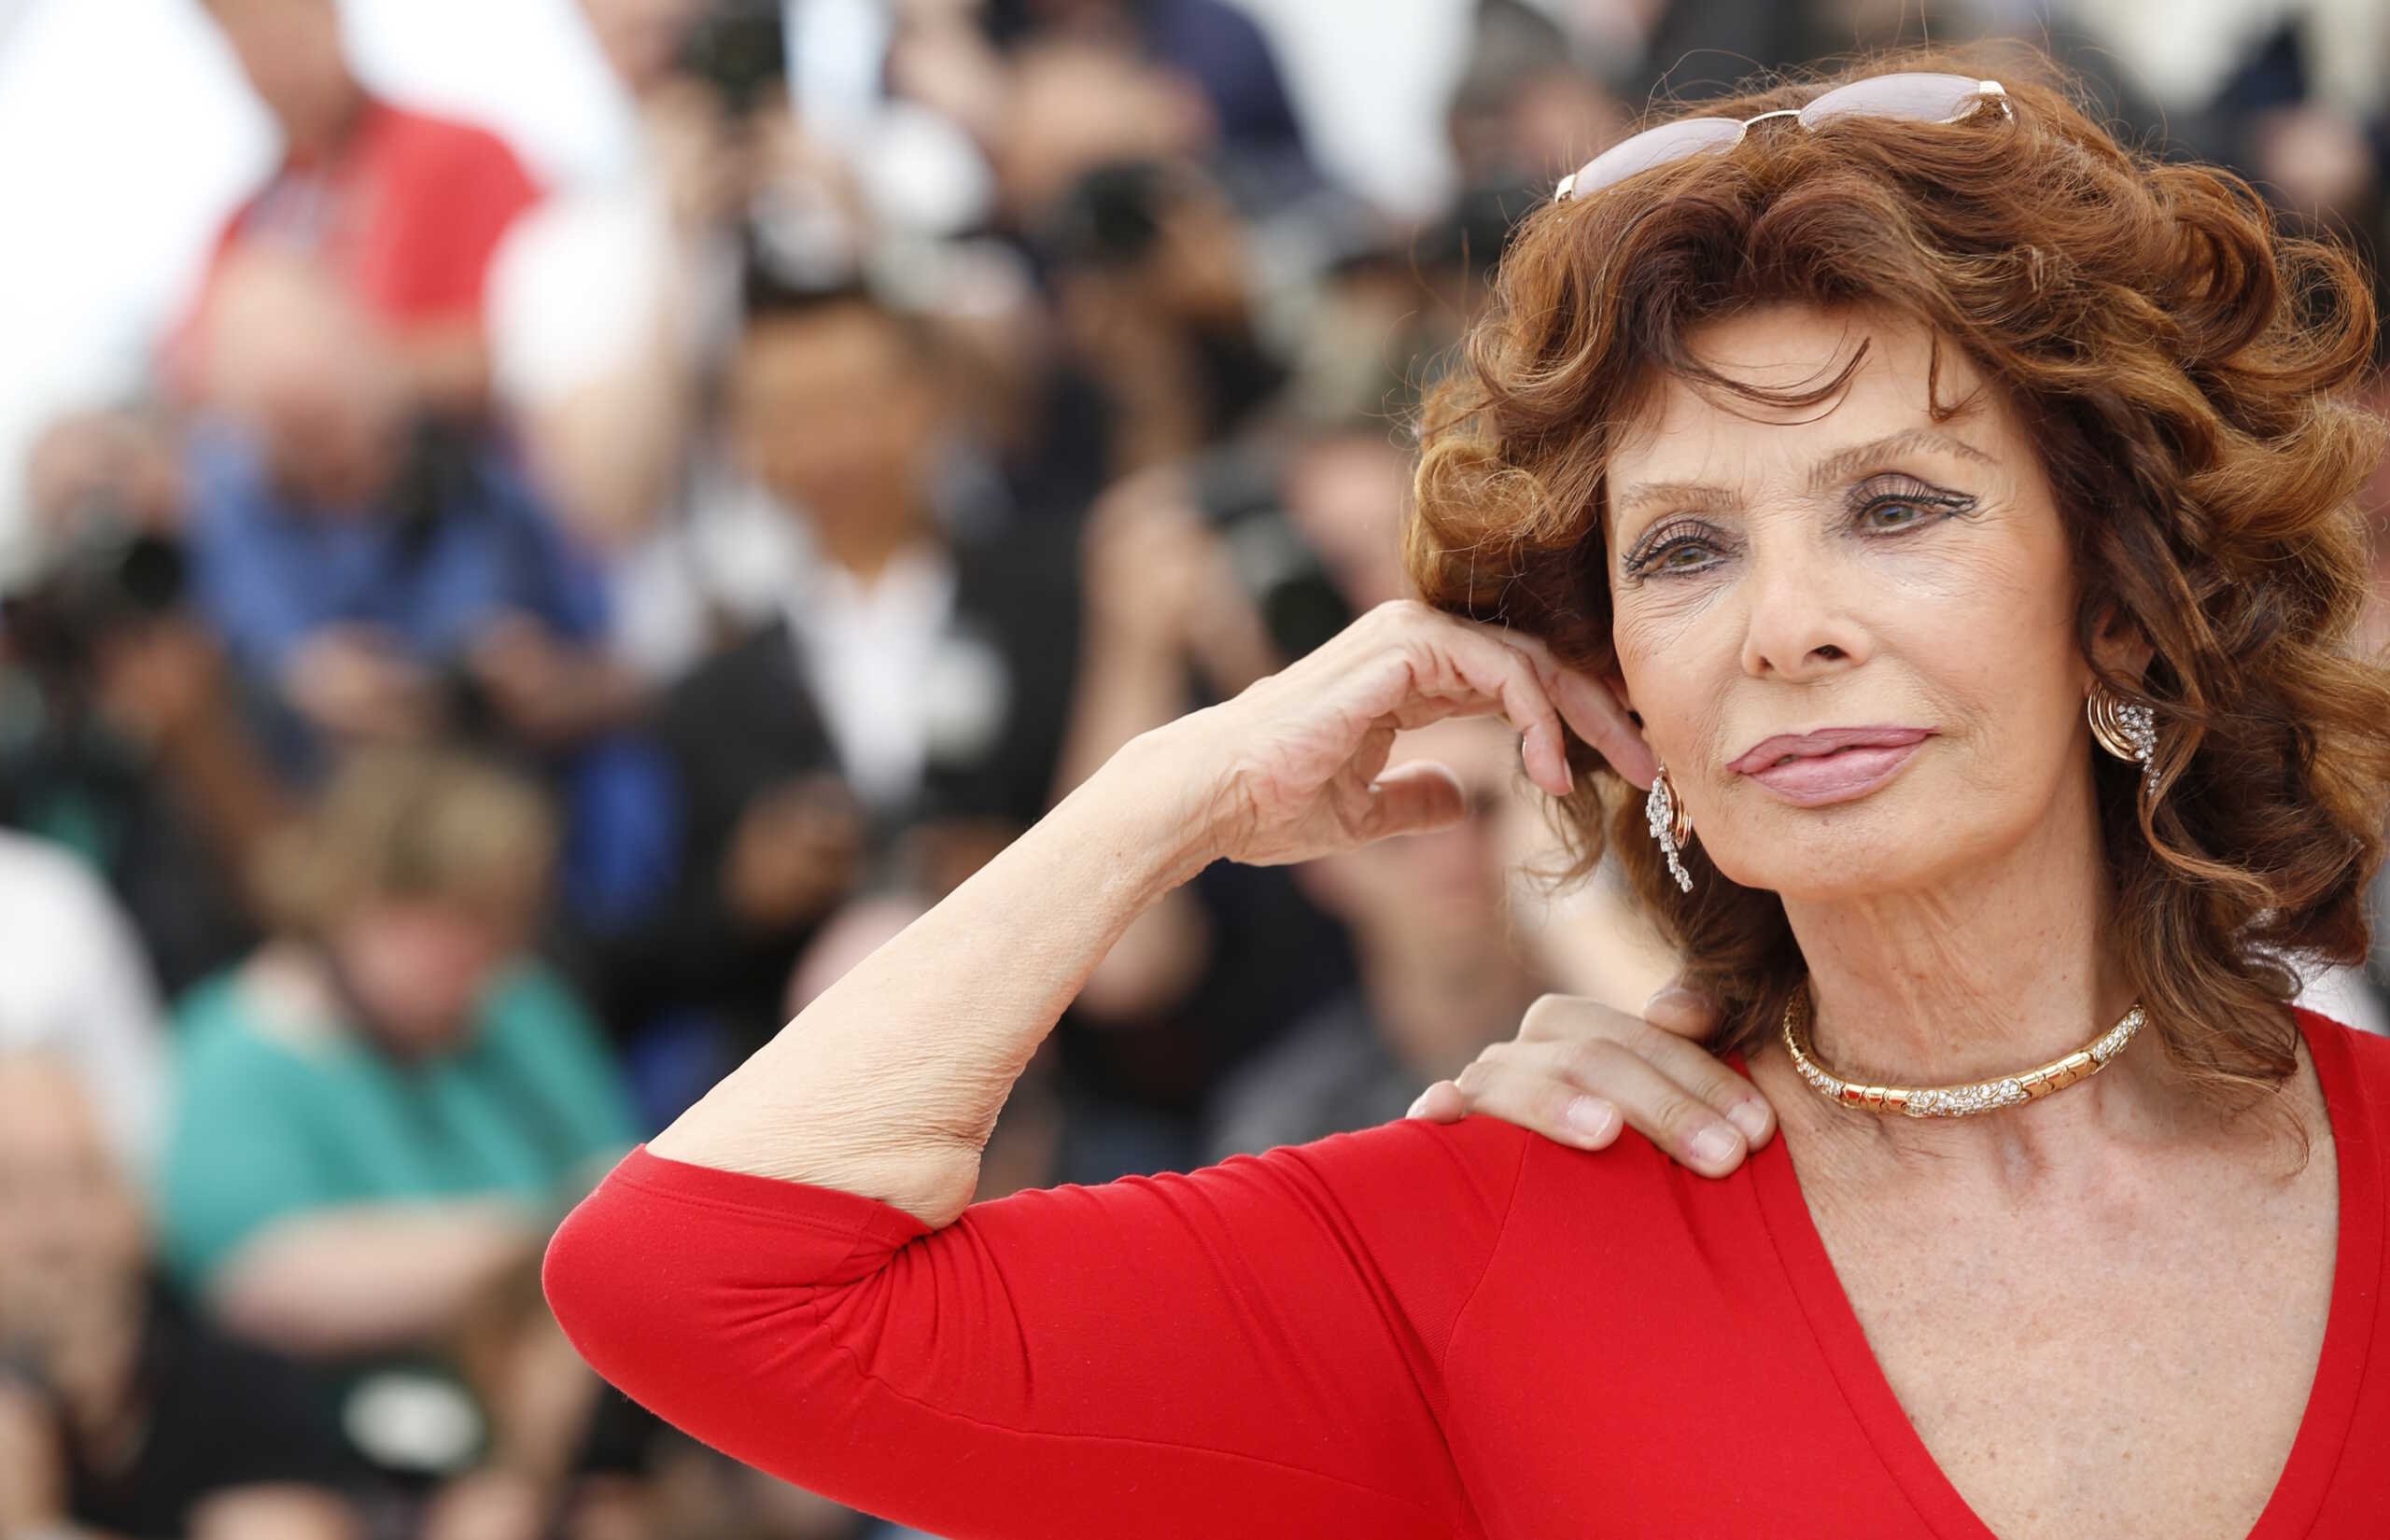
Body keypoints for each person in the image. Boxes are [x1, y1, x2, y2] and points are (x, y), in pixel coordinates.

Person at [541, 46, 2390, 1537]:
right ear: (1605, 683)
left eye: (1892, 506)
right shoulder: (1489, 1236)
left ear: (2124, 615)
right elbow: (699, 1282)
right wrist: (1171, 786)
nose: (1782, 627)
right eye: (1678, 553)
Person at [158, 748, 640, 1365]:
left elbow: (618, 1172)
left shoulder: (516, 1008)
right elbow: (259, 1281)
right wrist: (544, 1248)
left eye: (495, 918)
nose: (473, 949)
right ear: (347, 890)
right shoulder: (235, 1048)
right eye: (436, 912)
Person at [0, 1054, 362, 1540]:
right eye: (9, 1192)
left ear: (140, 1205)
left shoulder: (243, 1393)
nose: (55, 1231)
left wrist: (37, 1530)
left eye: (84, 1181)